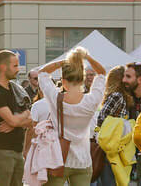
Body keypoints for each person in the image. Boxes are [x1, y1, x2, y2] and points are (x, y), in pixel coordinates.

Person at [37, 47, 107, 186]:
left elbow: (42, 73)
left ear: (63, 81)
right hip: (83, 160)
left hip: (58, 159)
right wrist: (85, 57)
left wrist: (65, 62)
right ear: (83, 78)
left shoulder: (55, 97)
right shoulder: (91, 101)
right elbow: (102, 73)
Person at [0, 50, 32, 186]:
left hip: (17, 151)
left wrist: (17, 121)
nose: (18, 69)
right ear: (3, 67)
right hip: (2, 152)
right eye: (15, 66)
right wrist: (23, 116)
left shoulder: (15, 90)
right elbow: (15, 119)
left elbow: (31, 122)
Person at [96, 65, 134, 186]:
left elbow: (101, 117)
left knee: (108, 178)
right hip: (120, 142)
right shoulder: (124, 96)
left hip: (110, 141)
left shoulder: (116, 95)